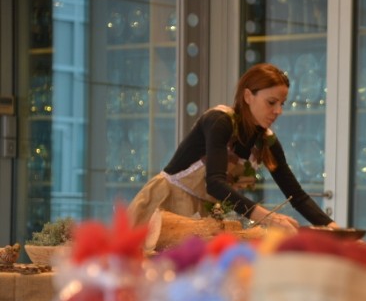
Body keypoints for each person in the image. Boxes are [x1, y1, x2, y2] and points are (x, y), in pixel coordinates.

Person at [127, 63, 338, 232]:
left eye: (282, 104)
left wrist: (334, 228)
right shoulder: (220, 121)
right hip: (167, 205)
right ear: (248, 96)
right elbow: (214, 184)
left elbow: (296, 195)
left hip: (205, 216)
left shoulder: (266, 141)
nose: (278, 111)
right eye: (271, 102)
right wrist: (268, 217)